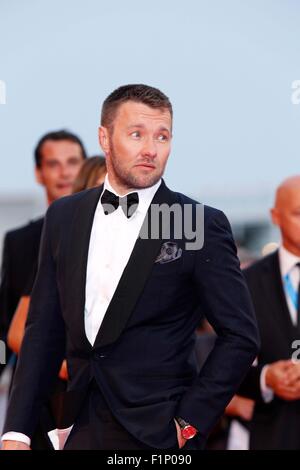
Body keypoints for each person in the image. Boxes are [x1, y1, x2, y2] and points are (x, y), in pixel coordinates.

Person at [2, 84, 259, 450]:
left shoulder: (197, 222)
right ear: (104, 138)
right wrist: (17, 431)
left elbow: (241, 336)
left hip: (161, 436)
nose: (151, 150)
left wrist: (188, 424)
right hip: (77, 428)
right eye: (136, 134)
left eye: (162, 136)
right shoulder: (65, 216)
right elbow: (43, 329)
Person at [0, 130, 87, 448]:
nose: (64, 172)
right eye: (54, 164)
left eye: (73, 162)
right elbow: (8, 326)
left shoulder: (109, 236)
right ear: (40, 173)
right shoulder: (21, 242)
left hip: (94, 399)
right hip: (38, 403)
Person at [238, 175, 300, 449]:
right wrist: (266, 377)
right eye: (298, 213)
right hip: (272, 433)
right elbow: (229, 364)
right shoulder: (247, 283)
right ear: (275, 216)